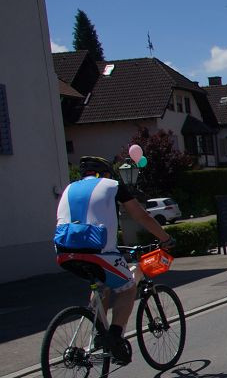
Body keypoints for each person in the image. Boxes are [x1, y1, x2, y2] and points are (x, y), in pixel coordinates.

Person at [54, 156, 176, 365]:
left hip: (65, 253)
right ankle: (113, 336)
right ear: (106, 173)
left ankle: (99, 334)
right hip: (98, 251)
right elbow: (142, 216)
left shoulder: (69, 188)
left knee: (102, 285)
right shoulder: (113, 185)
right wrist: (165, 238)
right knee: (127, 286)